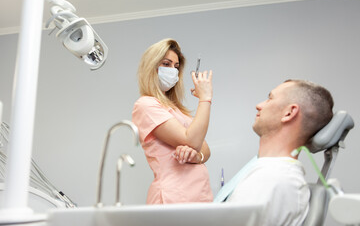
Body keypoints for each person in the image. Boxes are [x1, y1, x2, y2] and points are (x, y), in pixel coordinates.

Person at [215, 79, 334, 226]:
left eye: (270, 98)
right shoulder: (270, 173)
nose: (259, 105)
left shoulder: (273, 179)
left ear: (289, 113)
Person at [132, 38, 214, 204]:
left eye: (176, 67)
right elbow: (192, 140)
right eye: (166, 64)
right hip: (174, 197)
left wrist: (196, 156)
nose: (173, 71)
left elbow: (205, 149)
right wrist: (205, 98)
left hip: (199, 194)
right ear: (151, 67)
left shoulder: (176, 110)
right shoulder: (145, 105)